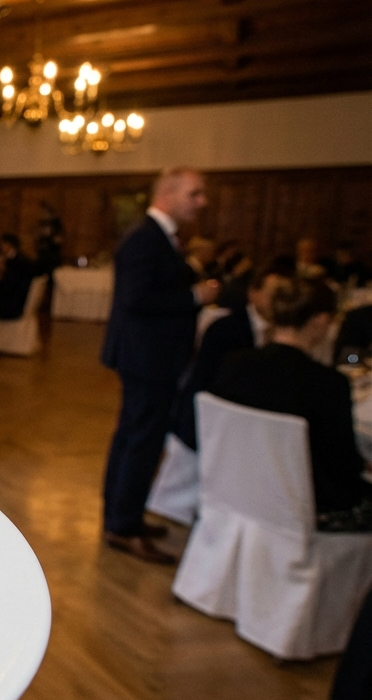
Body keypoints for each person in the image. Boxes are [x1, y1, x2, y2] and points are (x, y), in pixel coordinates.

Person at [100, 166, 220, 564]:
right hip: (147, 357)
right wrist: (193, 298)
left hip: (149, 356)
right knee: (141, 440)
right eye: (194, 194)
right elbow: (136, 299)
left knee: (134, 436)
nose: (201, 202)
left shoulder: (160, 238)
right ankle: (122, 524)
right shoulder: (145, 238)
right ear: (168, 193)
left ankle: (122, 515)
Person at [211, 278, 372, 531]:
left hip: (238, 489)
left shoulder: (234, 363)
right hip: (305, 506)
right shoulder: (328, 384)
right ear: (320, 321)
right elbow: (343, 468)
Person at [171, 266, 285, 451]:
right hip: (208, 424)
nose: (279, 302)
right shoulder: (226, 328)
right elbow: (211, 380)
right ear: (253, 293)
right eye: (273, 294)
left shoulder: (285, 330)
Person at [0, 234, 36, 321]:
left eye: (2, 244)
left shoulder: (19, 262)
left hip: (13, 305)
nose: (0, 247)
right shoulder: (21, 258)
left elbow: (10, 285)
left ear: (8, 245)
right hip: (19, 300)